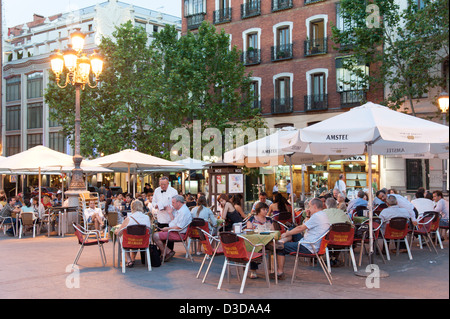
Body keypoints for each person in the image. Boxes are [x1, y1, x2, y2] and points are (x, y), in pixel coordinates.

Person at [273, 198, 330, 280]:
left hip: (308, 246)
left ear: (314, 206)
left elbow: (301, 228)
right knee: (292, 228)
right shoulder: (323, 215)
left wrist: (286, 233)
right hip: (311, 243)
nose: (308, 209)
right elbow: (305, 224)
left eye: (309, 207)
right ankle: (282, 241)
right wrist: (307, 215)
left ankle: (280, 272)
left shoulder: (317, 216)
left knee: (280, 248)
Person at [153, 195, 193, 262]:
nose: (172, 204)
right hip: (176, 231)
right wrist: (170, 213)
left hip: (179, 233)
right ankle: (167, 251)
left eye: (173, 202)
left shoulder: (183, 212)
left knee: (155, 236)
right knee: (158, 234)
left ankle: (165, 252)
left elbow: (179, 227)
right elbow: (174, 222)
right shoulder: (181, 210)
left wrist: (167, 229)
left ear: (178, 202)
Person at [114, 200, 151, 267]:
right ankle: (132, 258)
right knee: (136, 236)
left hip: (130, 242)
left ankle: (129, 260)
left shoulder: (129, 218)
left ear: (132, 208)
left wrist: (116, 230)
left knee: (123, 237)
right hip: (143, 241)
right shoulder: (147, 218)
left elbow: (119, 233)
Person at [246, 202, 273, 279]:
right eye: (263, 209)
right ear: (258, 210)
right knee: (253, 248)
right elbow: (249, 231)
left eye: (266, 209)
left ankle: (273, 269)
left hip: (268, 241)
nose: (266, 211)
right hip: (255, 241)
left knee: (276, 248)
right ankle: (253, 270)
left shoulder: (269, 220)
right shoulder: (252, 219)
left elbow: (273, 231)